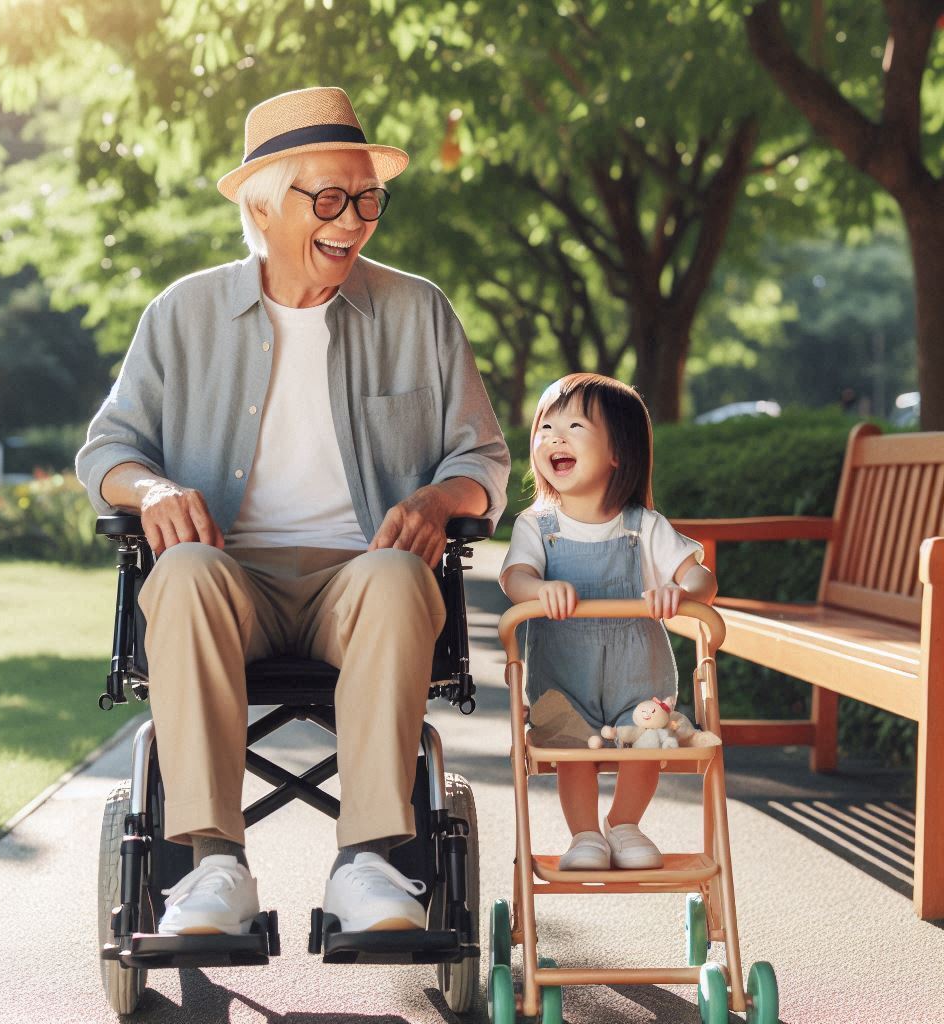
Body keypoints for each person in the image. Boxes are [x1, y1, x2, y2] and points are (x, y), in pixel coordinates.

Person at [76, 86, 509, 936]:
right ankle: (213, 870)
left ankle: (370, 866)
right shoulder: (182, 315)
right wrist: (152, 489)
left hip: (361, 584)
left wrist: (436, 497)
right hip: (230, 580)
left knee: (394, 573)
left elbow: (484, 459)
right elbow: (106, 454)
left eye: (368, 198)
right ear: (262, 204)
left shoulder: (417, 311)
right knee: (187, 569)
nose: (355, 219)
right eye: (331, 198)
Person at [498, 373, 715, 871]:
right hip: (563, 677)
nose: (555, 437)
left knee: (643, 745)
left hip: (636, 675)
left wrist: (679, 591)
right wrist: (539, 590)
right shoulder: (538, 526)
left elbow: (701, 579)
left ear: (618, 452)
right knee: (574, 752)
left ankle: (624, 824)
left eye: (574, 426)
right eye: (546, 426)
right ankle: (584, 836)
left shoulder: (643, 525)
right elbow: (515, 578)